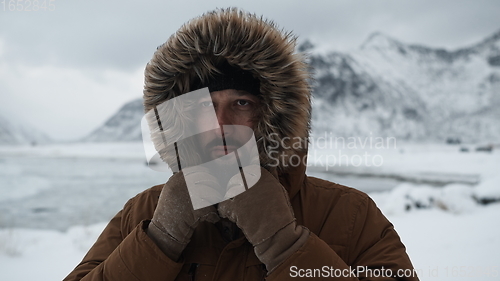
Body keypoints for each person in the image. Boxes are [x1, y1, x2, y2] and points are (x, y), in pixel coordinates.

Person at [64, 8, 419, 281]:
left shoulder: (349, 215)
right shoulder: (143, 213)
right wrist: (158, 241)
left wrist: (286, 246)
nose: (218, 124)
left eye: (241, 103)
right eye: (203, 106)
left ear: (273, 114)